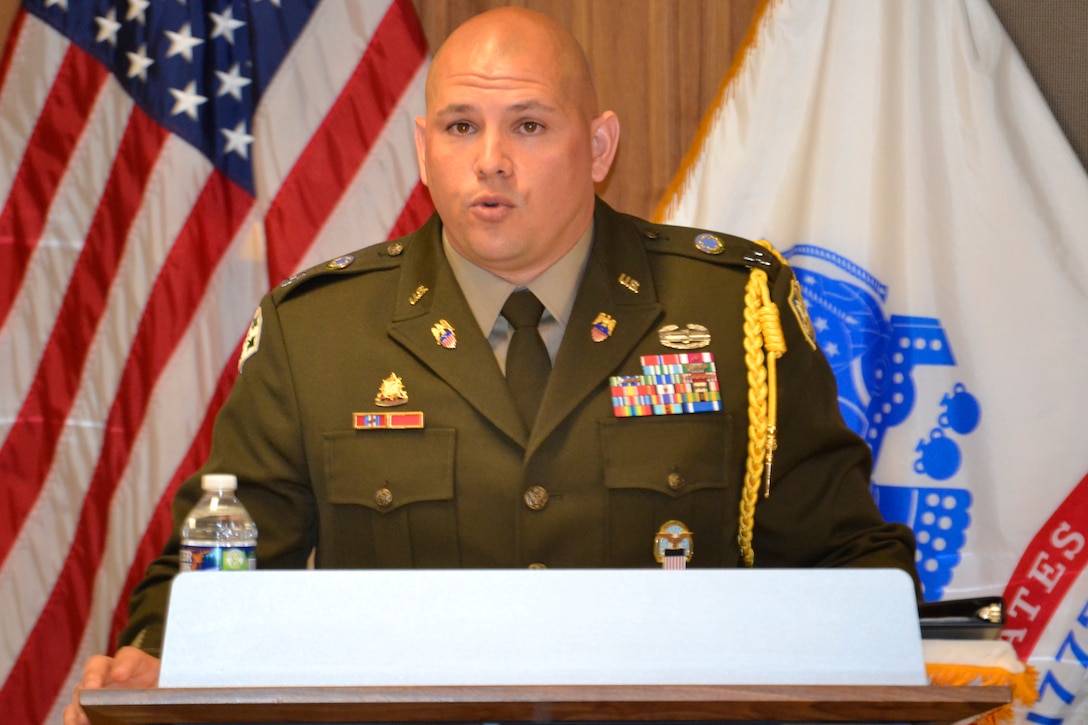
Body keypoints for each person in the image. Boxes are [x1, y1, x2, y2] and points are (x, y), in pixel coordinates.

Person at [65, 7, 918, 723]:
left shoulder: (729, 311)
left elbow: (846, 564)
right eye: (461, 126)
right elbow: (218, 567)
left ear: (598, 145)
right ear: (423, 145)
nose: (490, 161)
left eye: (530, 126)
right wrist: (156, 656)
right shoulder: (318, 332)